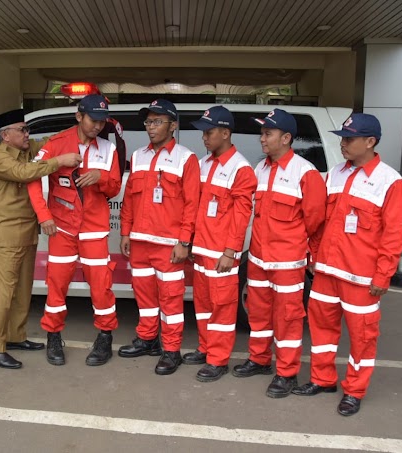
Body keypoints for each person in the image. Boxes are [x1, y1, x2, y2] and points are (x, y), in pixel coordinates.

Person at [292, 113, 402, 416]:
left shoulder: (390, 181)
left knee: (362, 338)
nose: (343, 144)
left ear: (370, 142)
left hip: (361, 276)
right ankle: (322, 379)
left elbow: (393, 235)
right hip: (327, 272)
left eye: (350, 139)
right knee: (322, 331)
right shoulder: (334, 175)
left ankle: (354, 390)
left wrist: (383, 276)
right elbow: (318, 221)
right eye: (342, 138)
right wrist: (313, 256)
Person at [232, 108, 327, 398]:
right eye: (262, 133)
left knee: (287, 317)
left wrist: (304, 252)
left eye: (267, 133)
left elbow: (314, 221)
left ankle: (287, 373)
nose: (262, 139)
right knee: (259, 314)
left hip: (288, 261)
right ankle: (260, 359)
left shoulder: (305, 173)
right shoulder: (260, 169)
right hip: (258, 258)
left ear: (286, 138)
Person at [0, 108, 83, 369]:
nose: (28, 134)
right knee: (2, 293)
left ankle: (16, 336)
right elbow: (25, 172)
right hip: (5, 233)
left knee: (23, 290)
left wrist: (80, 124)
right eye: (23, 130)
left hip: (27, 231)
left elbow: (53, 142)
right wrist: (60, 161)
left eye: (27, 129)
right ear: (6, 136)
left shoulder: (28, 148)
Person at [28, 95, 122, 366]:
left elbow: (115, 186)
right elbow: (33, 178)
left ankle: (105, 336)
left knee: (101, 286)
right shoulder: (57, 144)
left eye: (103, 122)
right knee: (56, 284)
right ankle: (54, 336)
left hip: (94, 227)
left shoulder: (108, 149)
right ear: (79, 116)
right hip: (62, 227)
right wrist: (44, 216)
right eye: (93, 120)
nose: (98, 126)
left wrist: (101, 178)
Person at [118, 99, 200, 375]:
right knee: (144, 296)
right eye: (148, 122)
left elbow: (192, 204)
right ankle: (147, 338)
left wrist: (184, 241)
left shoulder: (185, 158)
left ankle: (172, 349)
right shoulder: (138, 155)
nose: (150, 127)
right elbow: (129, 198)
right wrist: (125, 231)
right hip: (140, 242)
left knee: (171, 299)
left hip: (168, 245)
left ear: (173, 126)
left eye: (157, 121)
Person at [185, 106, 257, 382]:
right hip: (202, 249)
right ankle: (205, 349)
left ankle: (218, 359)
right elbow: (194, 206)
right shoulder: (204, 164)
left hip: (221, 253)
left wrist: (231, 251)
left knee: (222, 309)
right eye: (203, 132)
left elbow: (241, 216)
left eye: (209, 131)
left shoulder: (240, 169)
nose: (204, 137)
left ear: (226, 133)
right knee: (202, 305)